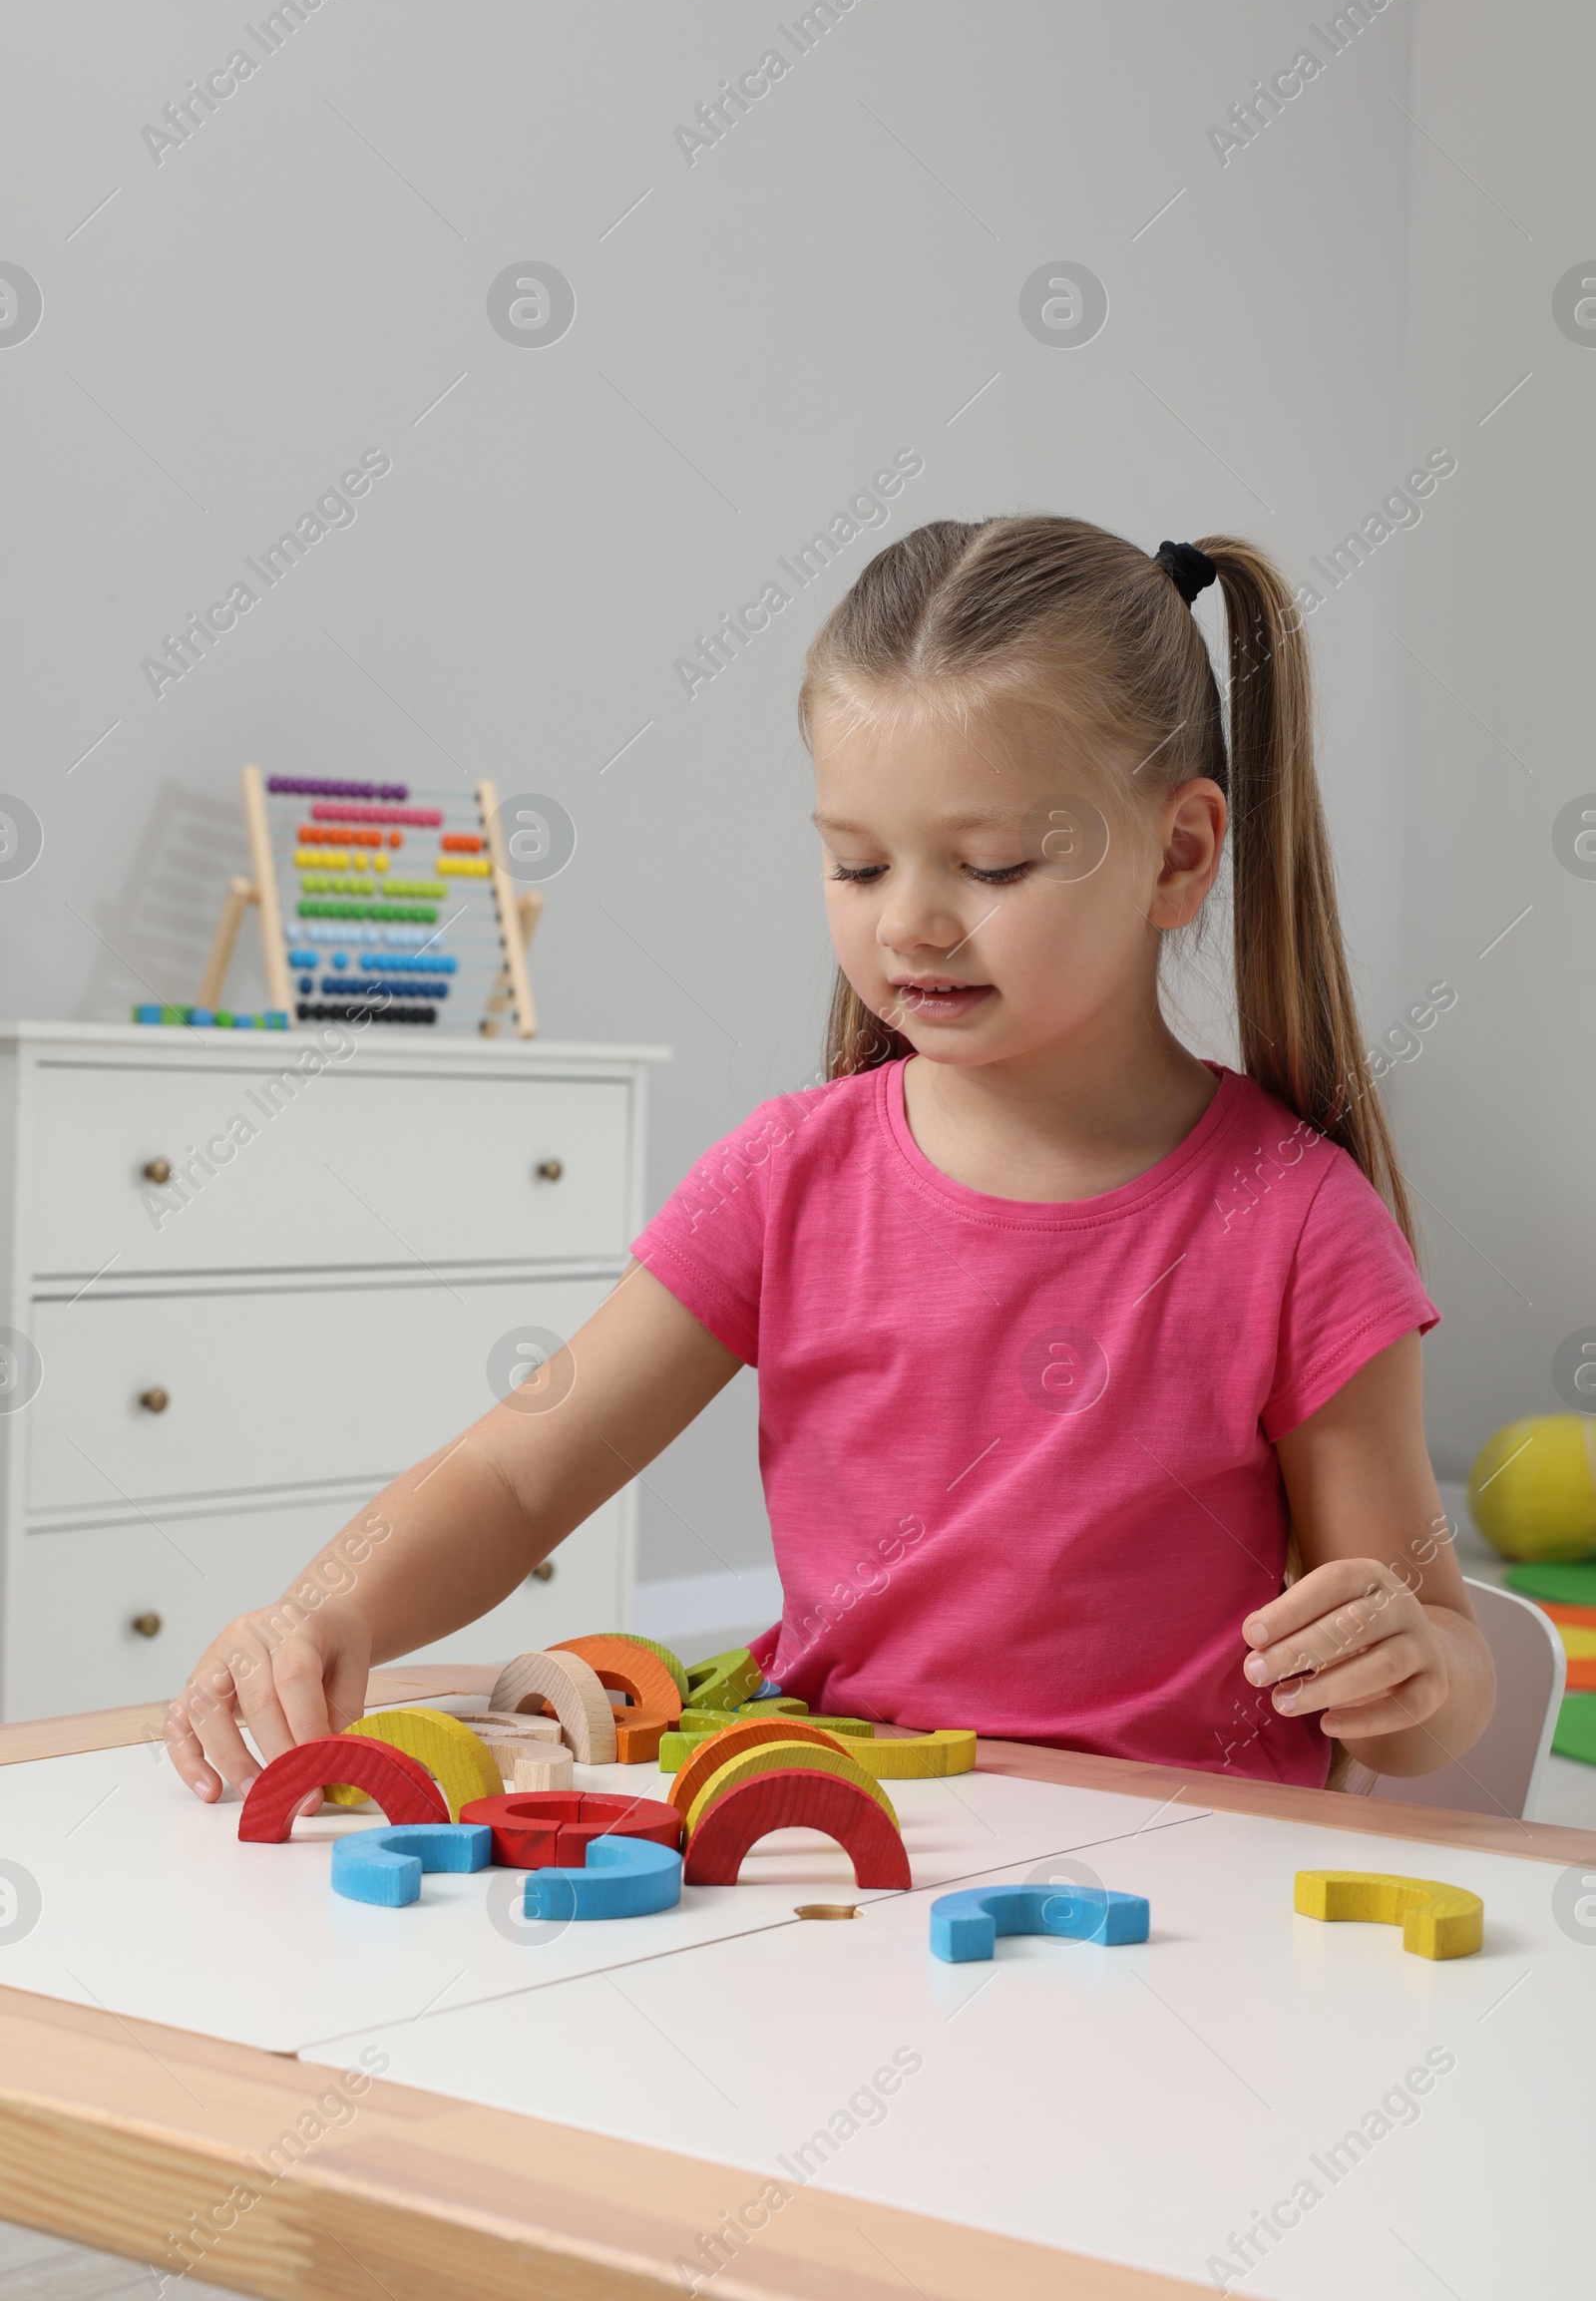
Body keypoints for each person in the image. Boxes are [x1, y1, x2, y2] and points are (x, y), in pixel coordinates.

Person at [166, 517, 1492, 1803]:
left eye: (990, 864)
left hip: (1180, 1892)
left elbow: (1438, 1678)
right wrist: (315, 1612)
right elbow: (516, 1475)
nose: (911, 921)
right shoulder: (787, 1177)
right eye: (857, 867)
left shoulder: (1299, 1222)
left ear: (1180, 852)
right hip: (837, 1852)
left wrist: (1413, 1666)